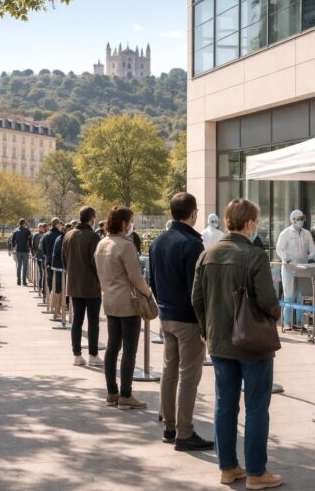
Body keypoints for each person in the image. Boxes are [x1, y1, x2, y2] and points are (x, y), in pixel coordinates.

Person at [191, 198, 283, 491]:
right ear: (249, 223)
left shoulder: (208, 254)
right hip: (252, 341)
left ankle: (228, 467)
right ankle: (256, 472)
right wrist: (277, 314)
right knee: (257, 406)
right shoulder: (254, 255)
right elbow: (268, 301)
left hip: (219, 341)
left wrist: (206, 330)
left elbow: (197, 298)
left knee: (224, 404)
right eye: (255, 219)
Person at [149, 193, 213, 451]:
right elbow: (197, 290)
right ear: (194, 213)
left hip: (166, 315)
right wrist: (205, 324)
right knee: (189, 376)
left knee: (169, 372)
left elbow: (151, 280)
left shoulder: (158, 242)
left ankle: (169, 427)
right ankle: (184, 433)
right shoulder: (192, 244)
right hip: (188, 319)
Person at [94, 206, 152, 411]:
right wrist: (148, 292)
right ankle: (126, 394)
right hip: (128, 302)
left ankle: (112, 392)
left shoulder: (102, 243)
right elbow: (136, 277)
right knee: (129, 349)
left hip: (109, 300)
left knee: (112, 347)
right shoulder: (126, 246)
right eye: (130, 221)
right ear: (124, 223)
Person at [62, 206, 103, 367]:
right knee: (93, 322)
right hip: (91, 286)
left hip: (74, 284)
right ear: (92, 218)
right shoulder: (92, 237)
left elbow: (64, 260)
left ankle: (76, 354)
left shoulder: (68, 235)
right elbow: (96, 263)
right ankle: (93, 354)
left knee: (77, 321)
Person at [276, 210, 315, 328]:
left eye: (303, 218)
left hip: (303, 268)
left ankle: (300, 322)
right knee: (289, 295)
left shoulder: (307, 233)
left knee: (301, 295)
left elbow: (313, 249)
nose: (302, 221)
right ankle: (287, 322)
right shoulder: (285, 233)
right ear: (293, 219)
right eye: (299, 219)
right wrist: (286, 258)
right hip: (289, 268)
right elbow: (279, 249)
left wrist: (311, 256)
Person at [41, 217, 64, 296]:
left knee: (49, 279)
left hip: (48, 260)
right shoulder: (61, 235)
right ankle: (58, 299)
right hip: (59, 262)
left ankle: (49, 295)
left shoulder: (45, 235)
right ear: (57, 224)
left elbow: (43, 249)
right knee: (59, 281)